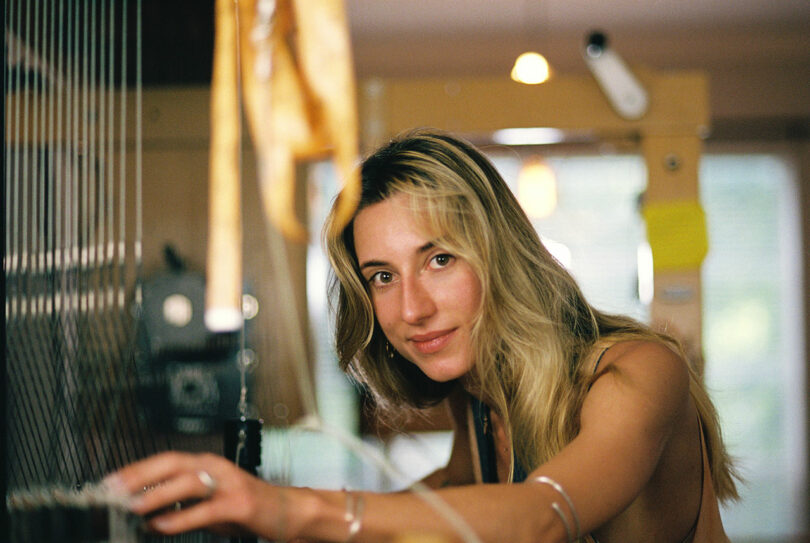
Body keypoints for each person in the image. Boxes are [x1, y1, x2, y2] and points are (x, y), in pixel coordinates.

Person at [107, 129, 739, 542]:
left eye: (440, 259)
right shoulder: (482, 392)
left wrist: (289, 512)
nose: (411, 307)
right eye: (382, 276)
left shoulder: (637, 373)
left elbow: (543, 517)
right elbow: (448, 498)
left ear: (501, 254)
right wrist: (265, 505)